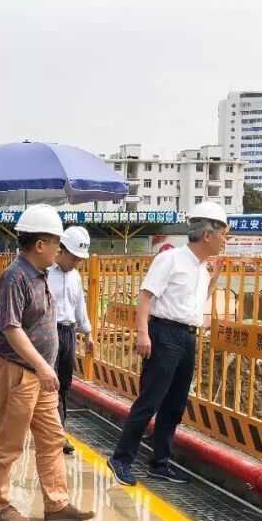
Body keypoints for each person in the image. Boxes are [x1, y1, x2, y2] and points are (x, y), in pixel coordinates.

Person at [0, 204, 95, 521]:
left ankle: (56, 503)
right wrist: (42, 366)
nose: (59, 249)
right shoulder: (15, 277)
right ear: (39, 245)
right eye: (56, 243)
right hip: (18, 371)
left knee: (52, 437)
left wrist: (45, 368)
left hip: (40, 373)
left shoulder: (41, 275)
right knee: (9, 441)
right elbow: (11, 328)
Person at [108, 201, 227, 486]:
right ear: (207, 234)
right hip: (164, 334)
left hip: (187, 337)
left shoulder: (201, 269)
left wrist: (214, 279)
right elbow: (145, 296)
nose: (225, 239)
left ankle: (160, 463)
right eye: (223, 233)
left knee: (174, 404)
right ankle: (121, 458)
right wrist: (143, 333)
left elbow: (194, 304)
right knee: (150, 400)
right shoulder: (170, 260)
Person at [47, 226, 93, 455]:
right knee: (51, 384)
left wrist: (88, 333)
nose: (76, 263)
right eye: (73, 258)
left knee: (64, 384)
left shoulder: (75, 276)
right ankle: (57, 434)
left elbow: (79, 307)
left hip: (68, 333)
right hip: (49, 333)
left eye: (79, 260)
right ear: (61, 250)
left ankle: (57, 429)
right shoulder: (45, 273)